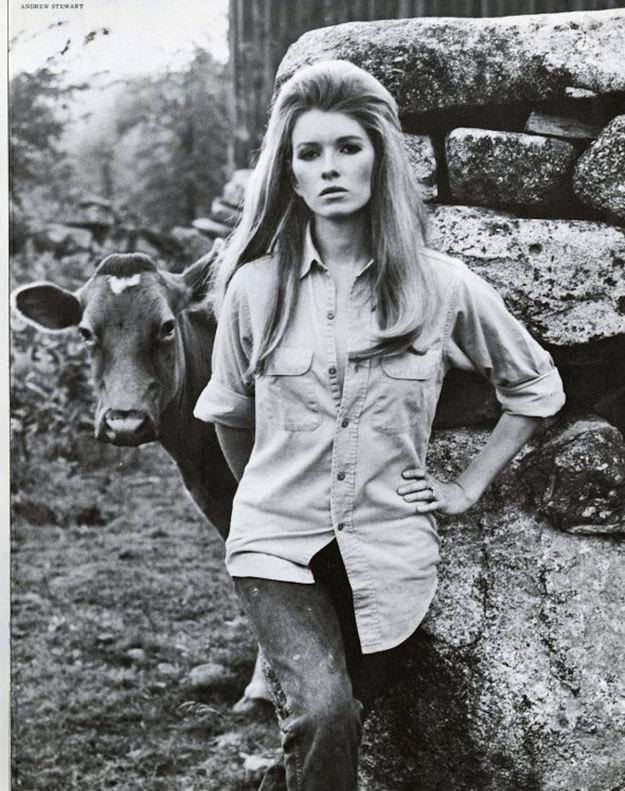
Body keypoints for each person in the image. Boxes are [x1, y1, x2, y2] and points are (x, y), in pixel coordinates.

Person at [193, 60, 565, 791]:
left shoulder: (441, 285)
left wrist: (465, 485)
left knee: (321, 732)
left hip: (389, 555)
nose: (329, 167)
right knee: (327, 714)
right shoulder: (253, 288)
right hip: (278, 549)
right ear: (289, 174)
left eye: (347, 147)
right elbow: (230, 414)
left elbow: (535, 387)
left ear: (378, 160)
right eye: (309, 153)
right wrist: (261, 499)